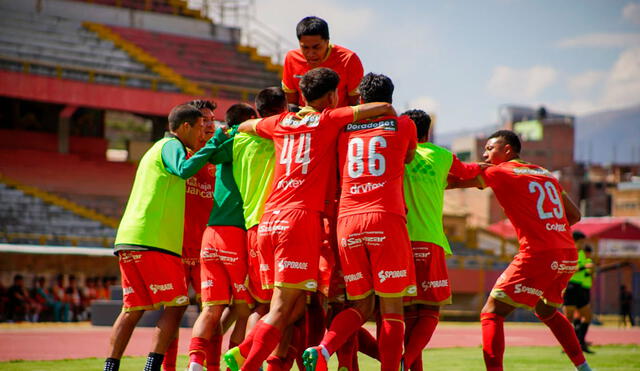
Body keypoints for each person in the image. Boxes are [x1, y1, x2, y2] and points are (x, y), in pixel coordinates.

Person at [224, 67, 397, 371]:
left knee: (287, 306)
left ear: (302, 94)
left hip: (269, 219)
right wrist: (386, 108)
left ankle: (244, 352)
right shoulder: (329, 118)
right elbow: (379, 107)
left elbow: (247, 126)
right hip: (299, 220)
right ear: (331, 96)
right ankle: (247, 362)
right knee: (285, 307)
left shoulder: (280, 121)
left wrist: (233, 129)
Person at [448, 130, 592, 371]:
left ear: (507, 150)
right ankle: (585, 368)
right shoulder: (546, 174)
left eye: (489, 148)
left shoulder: (500, 171)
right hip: (567, 253)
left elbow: (456, 181)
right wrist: (547, 226)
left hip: (539, 253)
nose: (485, 154)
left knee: (492, 313)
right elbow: (575, 215)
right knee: (546, 310)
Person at [300, 72, 416, 371]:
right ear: (390, 99)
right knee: (391, 308)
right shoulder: (404, 124)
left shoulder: (343, 128)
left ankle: (324, 349)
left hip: (348, 222)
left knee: (360, 305)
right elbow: (409, 157)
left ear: (360, 100)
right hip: (385, 218)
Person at [104, 104, 222, 371]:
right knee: (178, 305)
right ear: (185, 127)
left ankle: (110, 367)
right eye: (201, 123)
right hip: (156, 242)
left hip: (130, 238)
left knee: (132, 309)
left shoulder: (153, 151)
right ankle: (153, 367)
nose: (205, 128)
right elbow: (182, 168)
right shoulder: (170, 146)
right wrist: (209, 147)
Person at [400, 109, 483, 371]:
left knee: (409, 315)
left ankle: (408, 362)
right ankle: (404, 361)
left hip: (397, 242)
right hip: (429, 239)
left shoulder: (393, 155)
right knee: (431, 311)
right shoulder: (443, 156)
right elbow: (471, 172)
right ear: (427, 132)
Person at [186, 103, 258, 371]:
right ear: (251, 120)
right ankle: (233, 367)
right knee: (245, 310)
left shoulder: (222, 144)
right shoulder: (249, 141)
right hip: (235, 234)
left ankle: (195, 363)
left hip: (210, 234)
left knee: (211, 309)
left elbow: (212, 157)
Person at [231, 87, 287, 369]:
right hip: (279, 222)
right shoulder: (280, 134)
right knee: (285, 304)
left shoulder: (239, 139)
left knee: (260, 306)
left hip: (251, 227)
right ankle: (262, 360)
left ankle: (242, 354)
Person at [163, 99, 217, 371]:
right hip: (176, 249)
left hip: (208, 251)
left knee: (213, 313)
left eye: (212, 119)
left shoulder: (219, 154)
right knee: (173, 314)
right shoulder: (176, 152)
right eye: (203, 119)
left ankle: (212, 366)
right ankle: (168, 367)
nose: (209, 124)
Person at [282, 16, 364, 109]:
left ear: (327, 41)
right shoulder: (291, 58)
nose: (311, 53)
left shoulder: (349, 60)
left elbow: (356, 103)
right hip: (305, 121)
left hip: (338, 120)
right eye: (305, 48)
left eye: (316, 47)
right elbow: (291, 103)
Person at [563, 232, 596, 353]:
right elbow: (570, 269)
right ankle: (567, 345)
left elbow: (584, 271)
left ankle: (580, 342)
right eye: (581, 242)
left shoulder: (582, 253)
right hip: (570, 287)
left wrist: (590, 271)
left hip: (581, 288)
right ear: (574, 241)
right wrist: (584, 267)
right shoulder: (568, 251)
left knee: (587, 316)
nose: (583, 244)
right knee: (568, 318)